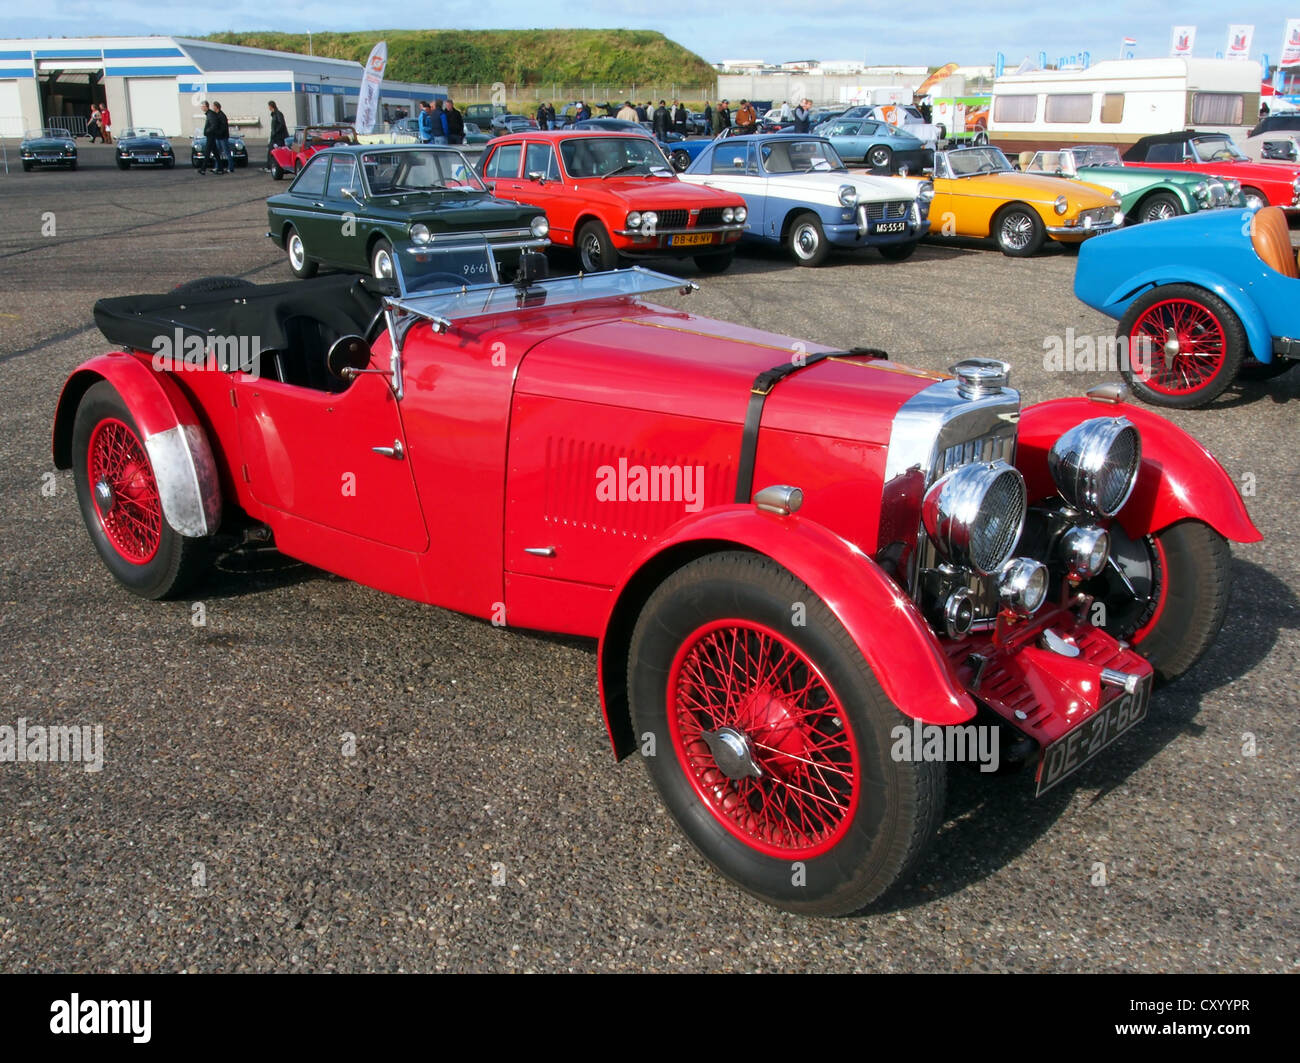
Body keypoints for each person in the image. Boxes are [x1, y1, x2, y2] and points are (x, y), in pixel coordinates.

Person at [264, 99, 287, 172]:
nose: (268, 108)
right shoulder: (274, 115)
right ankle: (269, 166)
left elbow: (281, 124)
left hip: (279, 137)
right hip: (275, 137)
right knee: (270, 150)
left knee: (276, 151)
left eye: (269, 106)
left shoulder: (278, 114)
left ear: (271, 106)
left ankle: (271, 167)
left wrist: (275, 132)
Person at [198, 100, 217, 174]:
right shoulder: (209, 114)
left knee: (207, 152)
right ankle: (220, 168)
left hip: (211, 136)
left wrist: (207, 131)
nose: (202, 108)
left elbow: (213, 125)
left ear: (206, 106)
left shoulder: (210, 114)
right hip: (210, 136)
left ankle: (203, 169)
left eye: (202, 106)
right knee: (215, 152)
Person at [211, 101, 230, 173]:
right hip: (218, 137)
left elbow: (223, 127)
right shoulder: (216, 115)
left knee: (227, 152)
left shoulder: (222, 115)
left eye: (213, 106)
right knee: (217, 153)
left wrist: (218, 133)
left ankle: (230, 167)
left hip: (223, 137)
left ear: (216, 107)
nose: (213, 108)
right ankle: (217, 167)